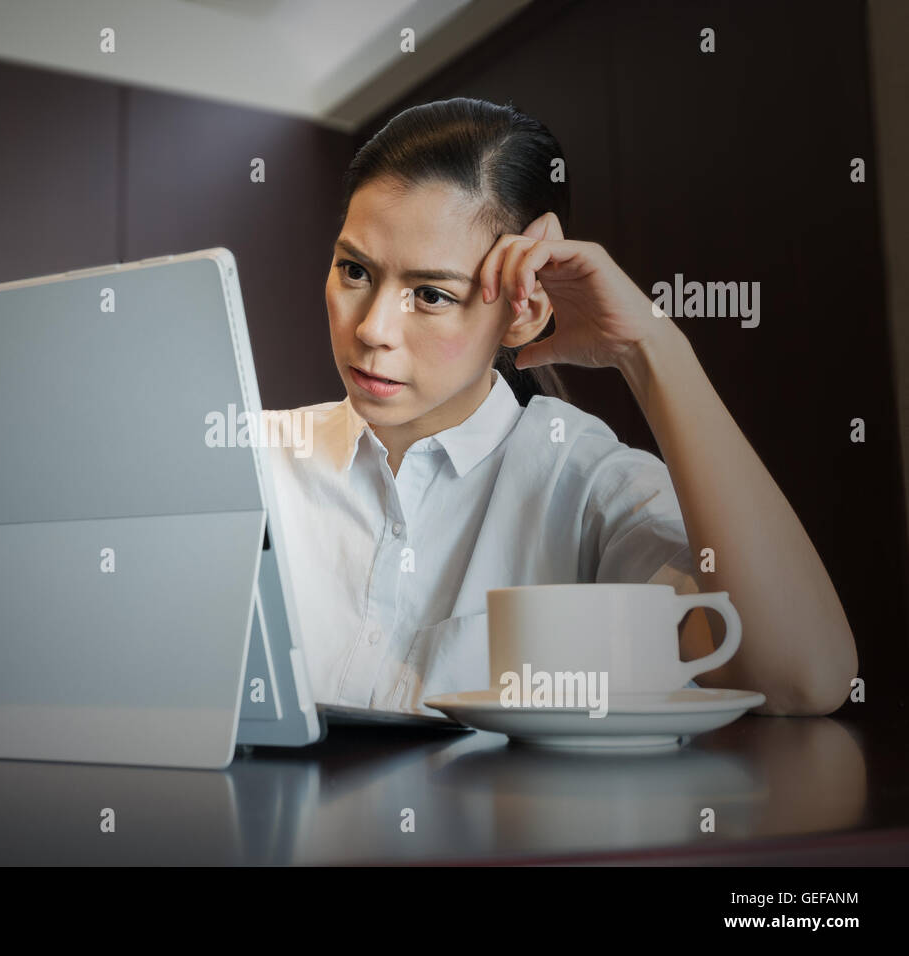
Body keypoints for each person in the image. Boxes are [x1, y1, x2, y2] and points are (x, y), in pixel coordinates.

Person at [261, 97, 856, 718]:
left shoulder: (587, 483)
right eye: (354, 270)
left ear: (524, 309)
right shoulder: (257, 461)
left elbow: (802, 677)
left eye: (432, 293)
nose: (374, 328)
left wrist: (649, 346)